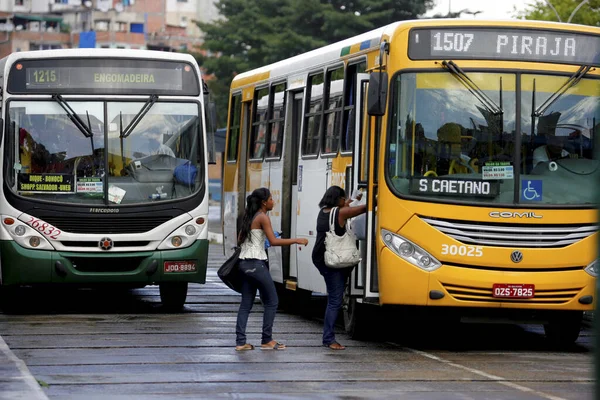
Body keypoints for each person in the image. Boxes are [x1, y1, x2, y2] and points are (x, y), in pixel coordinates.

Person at [235, 187, 308, 351]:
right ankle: (267, 340)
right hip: (256, 263)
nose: (273, 201)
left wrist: (257, 240)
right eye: (271, 199)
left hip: (243, 264)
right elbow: (274, 242)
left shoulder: (248, 216)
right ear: (264, 202)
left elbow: (239, 239)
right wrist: (296, 240)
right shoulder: (262, 217)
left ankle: (240, 342)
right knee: (272, 301)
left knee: (246, 305)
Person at [312, 185, 367, 350]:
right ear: (338, 199)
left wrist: (352, 199)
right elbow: (362, 209)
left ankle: (328, 337)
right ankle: (329, 339)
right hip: (332, 260)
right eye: (344, 198)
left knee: (335, 295)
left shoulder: (323, 212)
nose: (345, 201)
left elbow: (345, 209)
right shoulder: (341, 213)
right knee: (335, 300)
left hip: (322, 257)